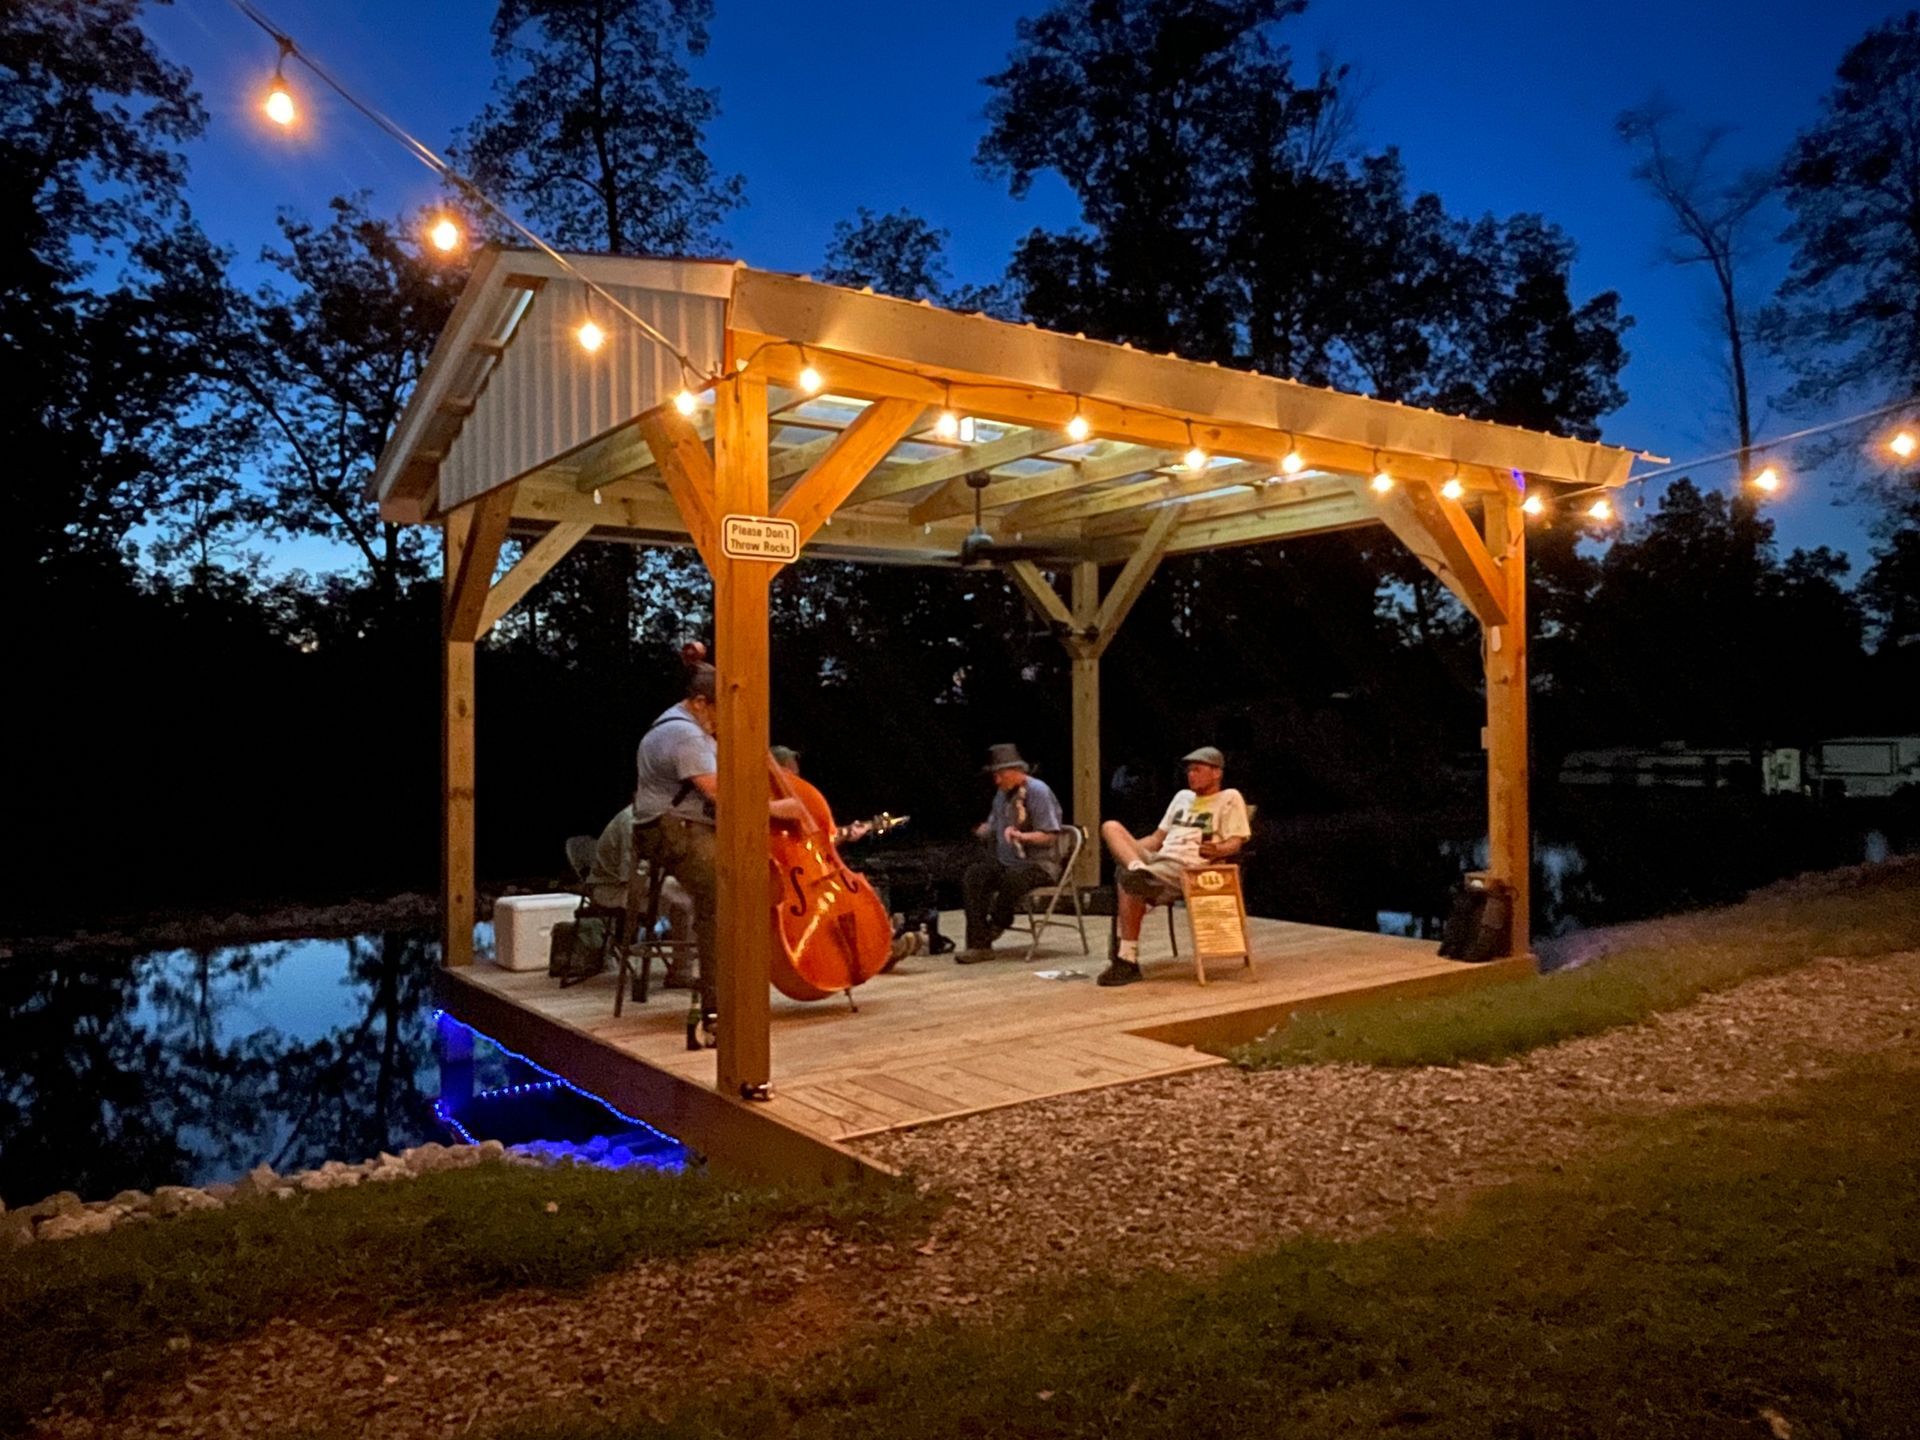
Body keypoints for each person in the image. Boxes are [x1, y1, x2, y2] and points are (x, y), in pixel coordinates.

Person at [631, 663, 804, 1041]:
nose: (723, 720)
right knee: (721, 895)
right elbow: (724, 797)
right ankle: (716, 1009)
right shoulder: (685, 736)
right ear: (699, 703)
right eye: (721, 710)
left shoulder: (688, 727)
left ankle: (744, 984)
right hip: (670, 831)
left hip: (685, 826)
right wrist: (780, 809)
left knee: (749, 880)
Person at [1096, 746, 1251, 987]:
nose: (1191, 775)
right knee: (1111, 827)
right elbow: (1156, 839)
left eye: (1197, 770)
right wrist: (1128, 849)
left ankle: (1127, 958)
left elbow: (1236, 842)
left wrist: (1218, 850)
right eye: (1189, 771)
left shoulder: (1229, 798)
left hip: (1189, 867)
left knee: (1125, 879)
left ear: (1216, 773)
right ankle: (1139, 871)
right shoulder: (1182, 798)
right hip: (1158, 859)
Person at [957, 743, 1065, 963]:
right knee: (975, 874)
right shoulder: (1002, 794)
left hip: (1040, 864)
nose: (997, 781)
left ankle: (999, 921)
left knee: (1013, 877)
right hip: (1009, 862)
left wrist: (1023, 837)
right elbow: (994, 825)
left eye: (1000, 775)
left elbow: (1051, 834)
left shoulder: (1038, 791)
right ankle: (979, 945)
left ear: (1015, 771)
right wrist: (981, 830)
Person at [584, 804, 697, 988]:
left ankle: (691, 966)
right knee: (684, 901)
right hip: (610, 889)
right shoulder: (633, 821)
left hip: (639, 883)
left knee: (694, 894)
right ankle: (682, 971)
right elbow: (630, 876)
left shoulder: (660, 817)